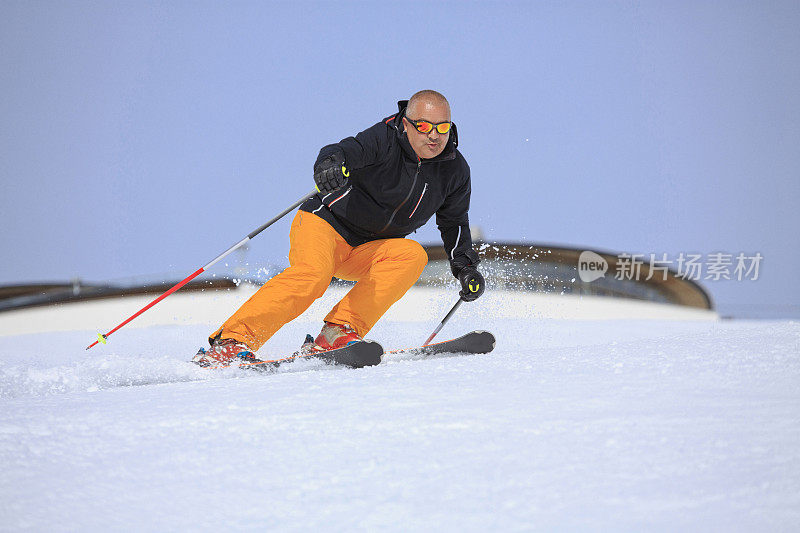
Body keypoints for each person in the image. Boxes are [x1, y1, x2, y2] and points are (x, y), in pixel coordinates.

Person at [193, 90, 485, 366]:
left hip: (368, 248)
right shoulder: (384, 138)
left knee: (412, 255)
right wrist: (331, 165)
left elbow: (454, 222)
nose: (433, 136)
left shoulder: (455, 170)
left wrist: (465, 267)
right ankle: (229, 343)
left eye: (442, 128)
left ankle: (337, 333)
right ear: (406, 123)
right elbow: (342, 150)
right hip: (326, 225)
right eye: (424, 126)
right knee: (313, 276)